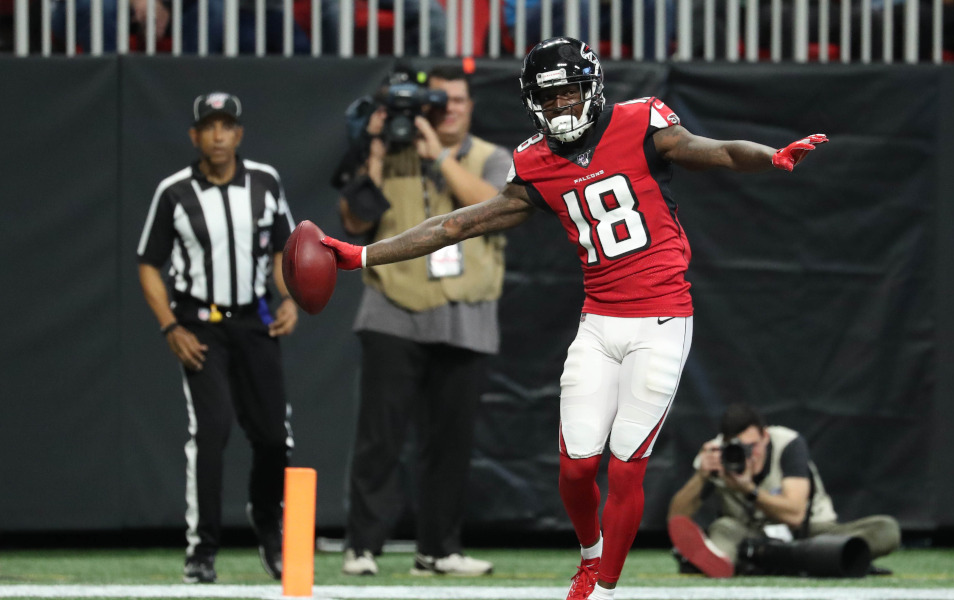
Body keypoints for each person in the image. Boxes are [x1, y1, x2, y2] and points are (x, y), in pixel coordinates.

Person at [319, 36, 826, 600]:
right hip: (598, 321)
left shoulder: (641, 122)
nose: (561, 106)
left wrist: (772, 156)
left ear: (593, 86)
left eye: (568, 93)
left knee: (627, 469)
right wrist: (362, 254)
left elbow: (720, 150)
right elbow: (454, 225)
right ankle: (589, 557)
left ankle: (602, 588)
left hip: (660, 321)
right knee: (576, 468)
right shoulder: (535, 161)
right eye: (549, 97)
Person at [334, 64, 511, 577]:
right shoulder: (391, 151)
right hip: (394, 308)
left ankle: (438, 550)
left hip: (466, 313)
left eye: (458, 100)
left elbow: (496, 206)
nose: (449, 108)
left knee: (450, 445)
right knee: (379, 439)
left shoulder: (493, 157)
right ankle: (361, 547)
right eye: (440, 100)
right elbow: (355, 222)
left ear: (470, 106)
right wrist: (374, 151)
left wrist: (441, 156)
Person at [137, 91, 298, 584]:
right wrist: (171, 325)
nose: (219, 135)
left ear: (239, 134)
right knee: (211, 432)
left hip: (254, 319)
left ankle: (269, 525)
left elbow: (283, 251)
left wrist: (289, 296)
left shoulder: (265, 182)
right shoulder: (174, 191)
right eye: (209, 126)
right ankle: (202, 548)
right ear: (195, 136)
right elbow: (148, 263)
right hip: (200, 324)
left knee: (274, 436)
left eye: (227, 126)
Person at [667, 403, 901, 578]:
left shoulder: (787, 444)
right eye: (739, 448)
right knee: (723, 528)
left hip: (809, 534)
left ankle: (749, 562)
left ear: (765, 436)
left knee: (886, 529)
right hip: (749, 535)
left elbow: (795, 514)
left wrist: (749, 490)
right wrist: (701, 475)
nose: (748, 455)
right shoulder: (718, 455)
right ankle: (825, 562)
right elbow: (677, 518)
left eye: (752, 447)